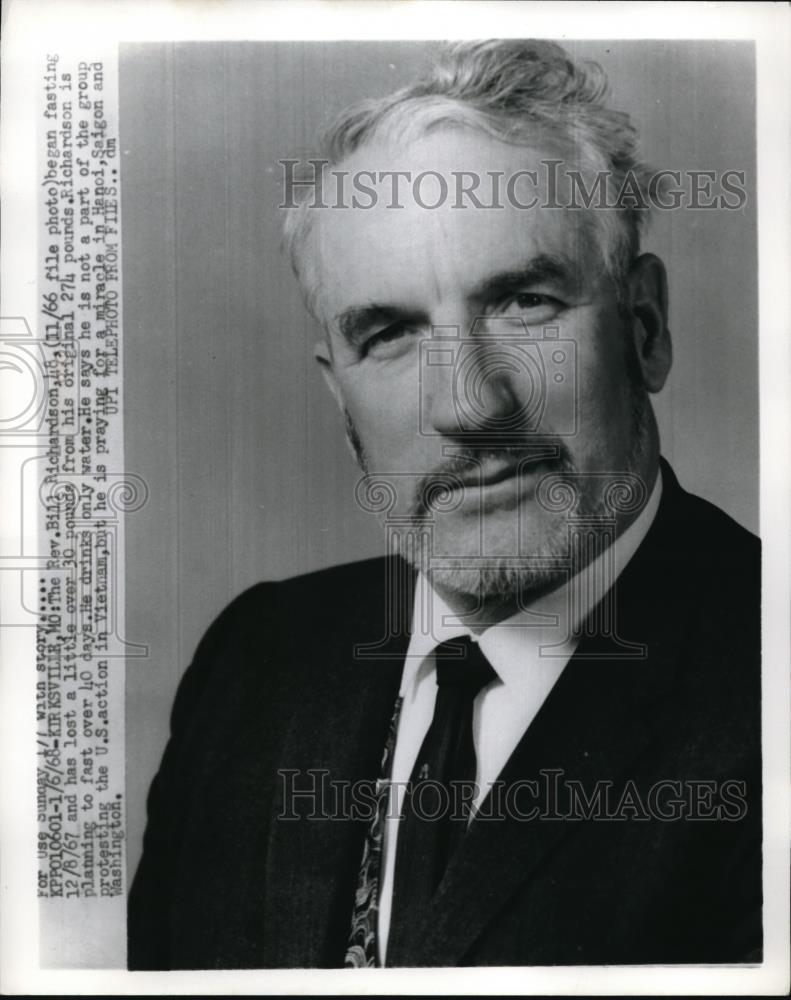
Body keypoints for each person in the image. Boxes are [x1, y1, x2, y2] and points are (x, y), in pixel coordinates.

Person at [127, 40, 761, 969]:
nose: (469, 406)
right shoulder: (254, 661)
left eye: (524, 302)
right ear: (339, 397)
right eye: (387, 333)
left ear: (644, 330)